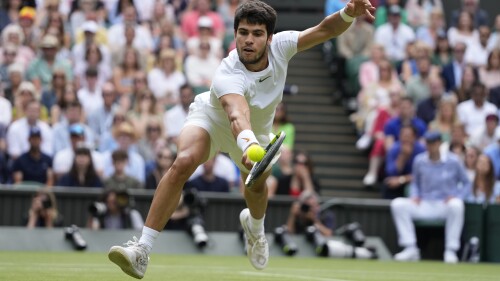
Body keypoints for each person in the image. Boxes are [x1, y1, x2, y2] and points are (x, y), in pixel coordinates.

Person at [108, 0, 375, 278]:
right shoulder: (228, 72)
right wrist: (249, 145)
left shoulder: (281, 47)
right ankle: (141, 249)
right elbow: (237, 114)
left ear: (269, 38)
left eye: (257, 34)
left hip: (256, 133)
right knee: (183, 161)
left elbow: (323, 30)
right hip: (213, 120)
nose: (248, 40)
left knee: (257, 189)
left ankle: (256, 231)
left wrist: (348, 13)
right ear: (234, 33)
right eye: (243, 32)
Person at [390, 131, 470, 263]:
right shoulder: (419, 161)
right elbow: (415, 183)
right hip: (425, 204)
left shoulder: (453, 161)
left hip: (445, 205)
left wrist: (457, 196)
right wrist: (414, 195)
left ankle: (451, 250)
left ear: (439, 143)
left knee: (457, 205)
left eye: (432, 143)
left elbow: (466, 183)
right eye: (427, 143)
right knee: (398, 204)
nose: (429, 146)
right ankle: (411, 248)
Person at [383, 125, 425, 199]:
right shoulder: (394, 149)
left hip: (414, 183)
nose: (405, 139)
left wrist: (401, 180)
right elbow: (391, 172)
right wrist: (403, 156)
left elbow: (423, 175)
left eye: (408, 136)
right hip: (398, 181)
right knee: (388, 184)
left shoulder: (421, 150)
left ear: (414, 137)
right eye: (403, 136)